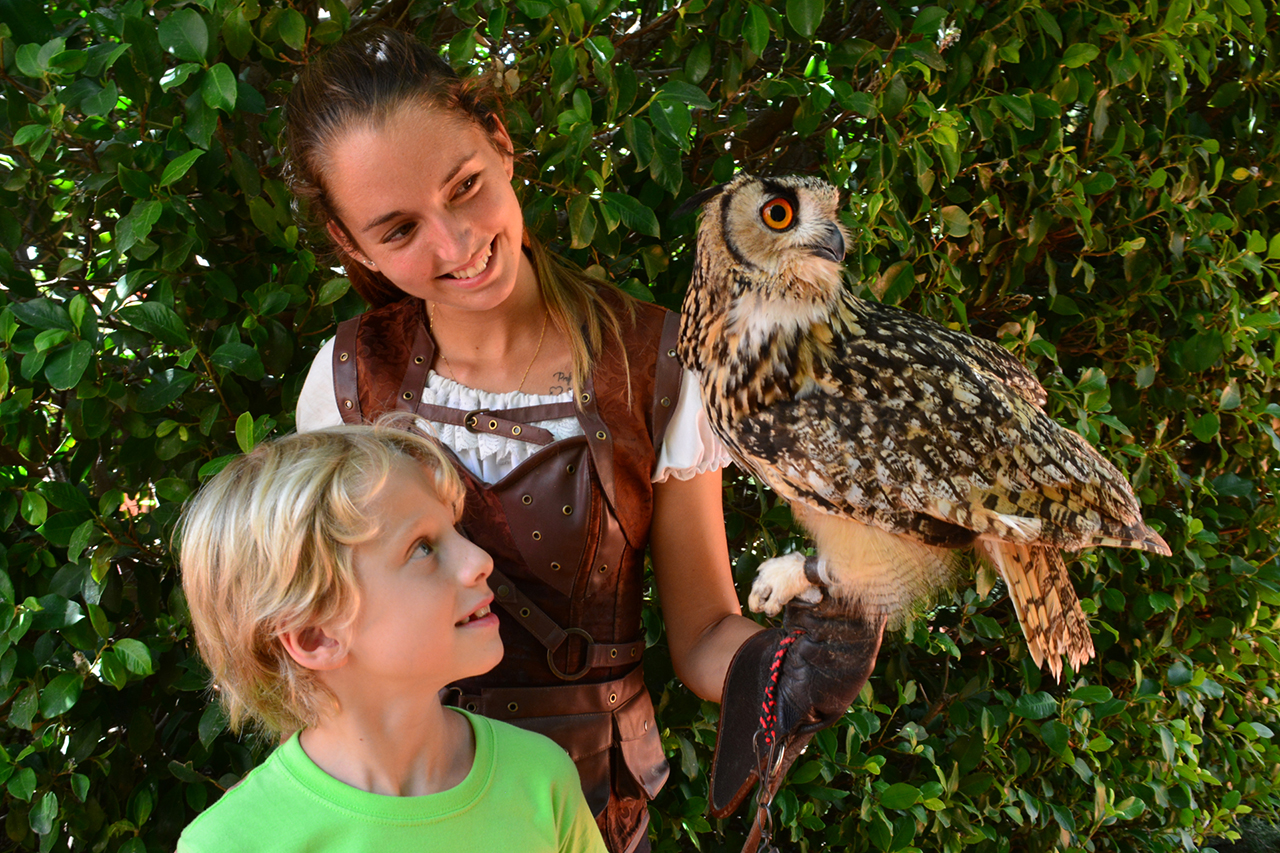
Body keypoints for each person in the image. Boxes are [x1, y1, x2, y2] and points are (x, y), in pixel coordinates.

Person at [286, 27, 867, 853]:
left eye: (465, 186)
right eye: (399, 231)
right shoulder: (345, 382)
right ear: (350, 244)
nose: (455, 245)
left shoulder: (659, 364)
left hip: (588, 808)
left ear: (501, 142)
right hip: (401, 813)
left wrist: (784, 662)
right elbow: (329, 644)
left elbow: (702, 635)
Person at [176, 425, 608, 853]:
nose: (479, 560)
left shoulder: (541, 778)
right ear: (315, 637)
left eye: (454, 530)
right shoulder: (230, 843)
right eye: (422, 547)